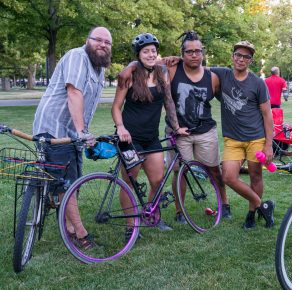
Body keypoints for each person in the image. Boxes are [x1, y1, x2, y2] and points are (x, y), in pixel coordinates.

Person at [118, 31, 231, 224]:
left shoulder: (210, 77)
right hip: (157, 134)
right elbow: (146, 60)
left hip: (196, 131)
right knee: (173, 173)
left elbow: (170, 99)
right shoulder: (167, 69)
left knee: (209, 171)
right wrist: (129, 66)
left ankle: (224, 204)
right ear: (183, 53)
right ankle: (172, 213)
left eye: (198, 51)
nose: (194, 55)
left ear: (203, 52)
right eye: (189, 52)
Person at [32, 26, 112, 248]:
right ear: (88, 40)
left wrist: (80, 132)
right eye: (98, 40)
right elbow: (74, 92)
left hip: (73, 133)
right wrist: (82, 132)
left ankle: (67, 223)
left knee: (73, 180)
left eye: (107, 42)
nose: (103, 45)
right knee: (66, 183)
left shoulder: (100, 69)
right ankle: (80, 234)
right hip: (55, 127)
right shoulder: (77, 56)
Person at [112, 33, 188, 233]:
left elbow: (169, 102)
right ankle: (131, 226)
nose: (150, 54)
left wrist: (176, 126)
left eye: (153, 51)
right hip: (130, 138)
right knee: (130, 182)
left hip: (151, 137)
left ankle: (151, 214)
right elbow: (116, 107)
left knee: (157, 180)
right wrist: (120, 127)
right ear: (138, 54)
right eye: (146, 51)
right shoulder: (129, 75)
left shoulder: (162, 72)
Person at [210, 41, 275, 230]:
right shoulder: (223, 74)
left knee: (255, 176)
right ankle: (262, 204)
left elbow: (267, 114)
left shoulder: (257, 83)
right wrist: (174, 59)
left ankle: (251, 214)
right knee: (229, 177)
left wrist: (268, 144)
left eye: (246, 57)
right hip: (232, 140)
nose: (241, 59)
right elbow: (196, 65)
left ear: (250, 61)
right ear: (232, 57)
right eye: (238, 55)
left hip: (255, 138)